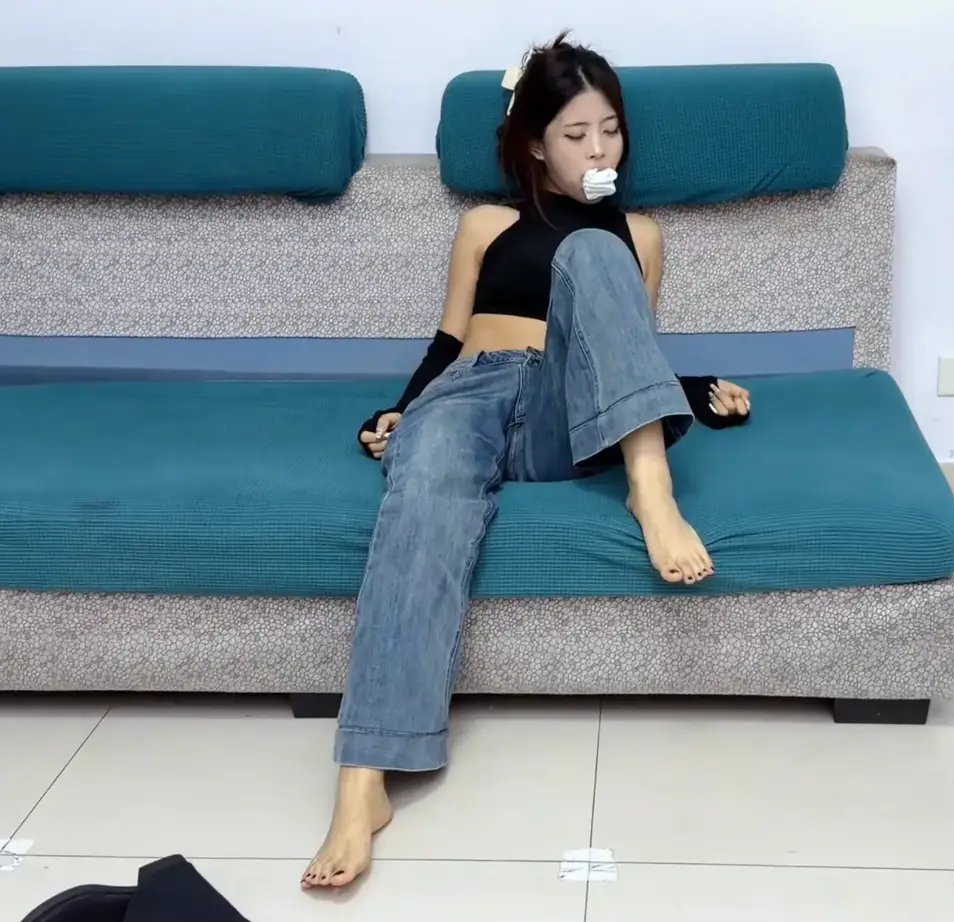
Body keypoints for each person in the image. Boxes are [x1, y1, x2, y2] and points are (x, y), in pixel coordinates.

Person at [301, 33, 754, 890]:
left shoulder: (638, 236)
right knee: (423, 492)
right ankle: (363, 784)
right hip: (468, 393)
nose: (598, 150)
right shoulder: (485, 225)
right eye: (576, 134)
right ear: (537, 143)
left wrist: (692, 390)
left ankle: (651, 493)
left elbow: (622, 351)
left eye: (610, 131)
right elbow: (447, 343)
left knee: (597, 251)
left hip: (563, 415)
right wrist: (400, 409)